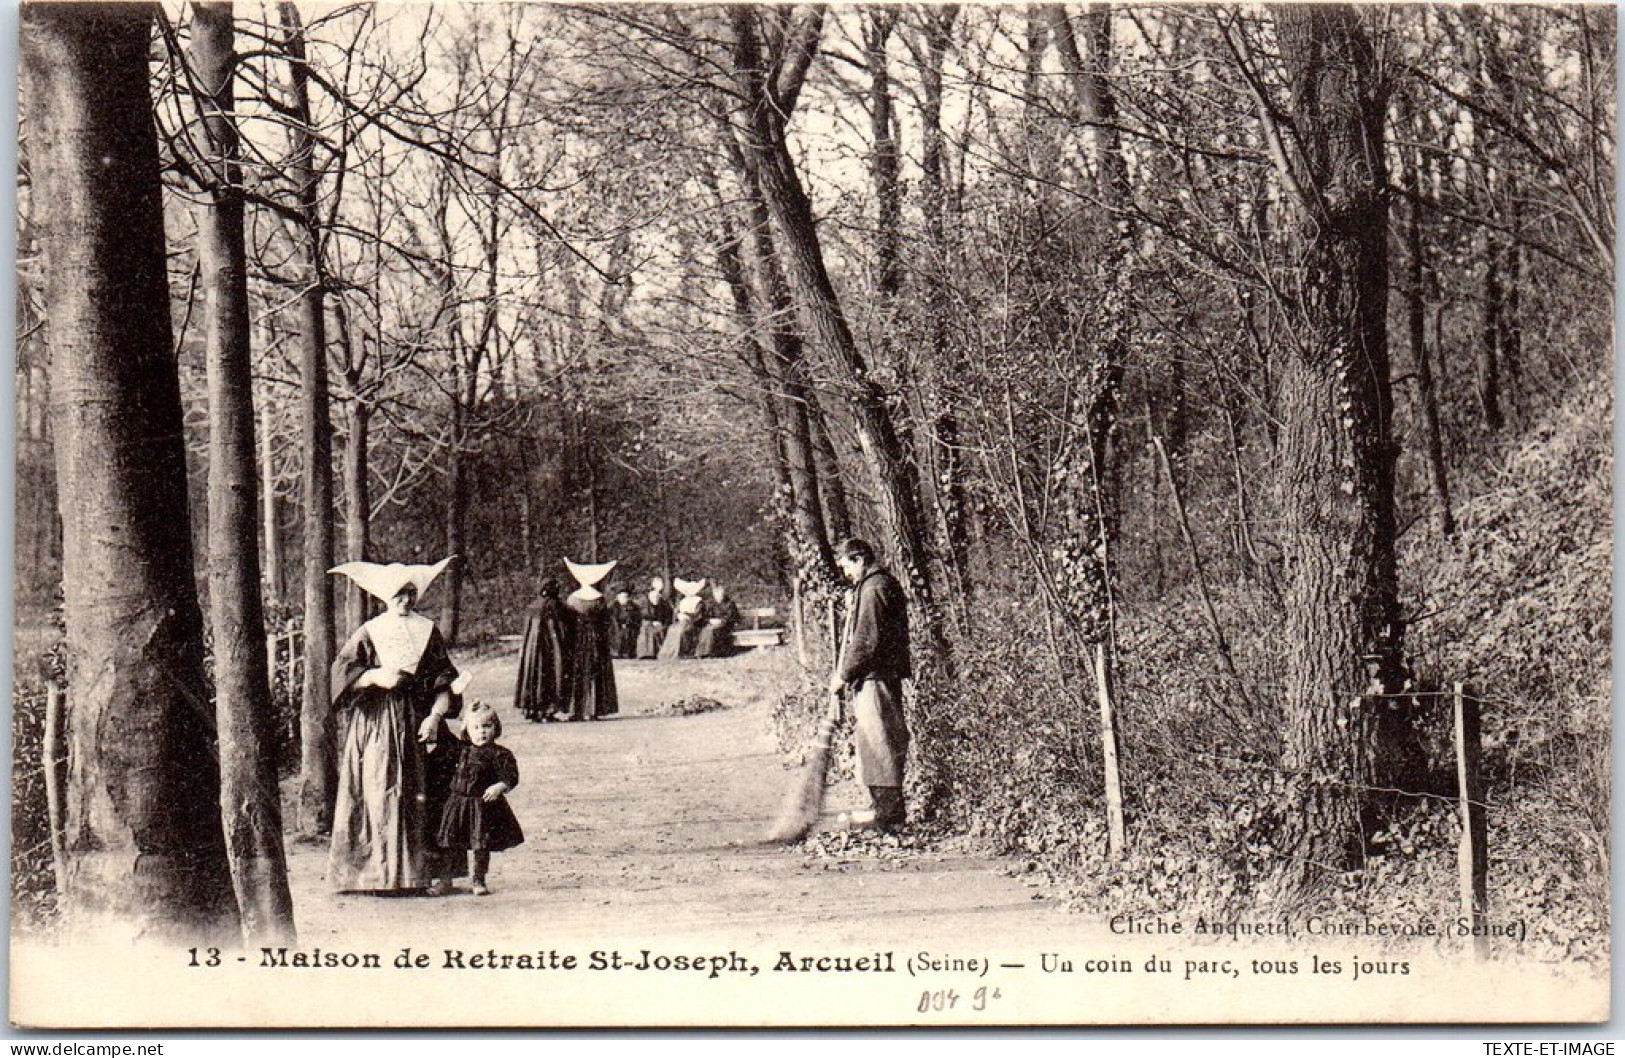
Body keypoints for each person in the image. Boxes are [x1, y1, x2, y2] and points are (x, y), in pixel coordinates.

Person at [326, 557, 464, 894]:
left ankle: (421, 874)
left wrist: (434, 717)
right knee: (378, 788)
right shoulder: (370, 630)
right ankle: (376, 875)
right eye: (398, 596)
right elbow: (341, 672)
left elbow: (444, 681)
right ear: (386, 598)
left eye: (410, 595)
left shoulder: (427, 630)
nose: (405, 601)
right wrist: (375, 676)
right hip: (376, 720)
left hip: (417, 716)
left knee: (425, 790)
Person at [827, 538, 912, 830]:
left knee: (880, 741)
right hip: (878, 676)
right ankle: (884, 810)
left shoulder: (875, 588)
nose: (846, 572)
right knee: (875, 741)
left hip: (876, 677)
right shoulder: (873, 585)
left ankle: (889, 816)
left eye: (847, 566)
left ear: (860, 559)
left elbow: (867, 640)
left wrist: (843, 675)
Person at [435, 702, 523, 896]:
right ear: (467, 729)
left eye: (486, 726)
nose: (481, 732)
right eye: (476, 727)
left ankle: (478, 879)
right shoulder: (461, 750)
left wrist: (499, 786)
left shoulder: (500, 754)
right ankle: (445, 880)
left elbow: (511, 776)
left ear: (495, 728)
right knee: (449, 842)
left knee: (480, 844)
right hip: (458, 804)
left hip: (482, 806)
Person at [562, 558, 619, 720]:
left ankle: (578, 710)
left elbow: (568, 621)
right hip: (596, 638)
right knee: (596, 671)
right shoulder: (599, 598)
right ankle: (594, 709)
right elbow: (606, 620)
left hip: (578, 638)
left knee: (579, 671)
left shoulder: (573, 599)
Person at [514, 577, 568, 722]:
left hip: (533, 652)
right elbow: (561, 629)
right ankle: (546, 711)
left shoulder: (532, 607)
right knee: (549, 677)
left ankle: (533, 710)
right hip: (550, 651)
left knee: (534, 676)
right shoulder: (554, 606)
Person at [658, 577, 706, 660]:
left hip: (693, 623)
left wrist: (687, 615)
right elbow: (677, 612)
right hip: (681, 621)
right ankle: (668, 653)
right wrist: (678, 615)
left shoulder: (699, 601)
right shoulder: (683, 601)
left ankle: (681, 652)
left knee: (682, 631)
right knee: (672, 629)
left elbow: (698, 615)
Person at [694, 582, 740, 658]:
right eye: (716, 595)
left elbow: (732, 617)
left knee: (712, 630)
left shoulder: (730, 604)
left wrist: (722, 620)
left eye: (720, 595)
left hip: (726, 625)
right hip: (714, 623)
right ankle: (701, 652)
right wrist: (710, 620)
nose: (718, 597)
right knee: (705, 630)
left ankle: (709, 652)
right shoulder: (712, 604)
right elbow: (707, 615)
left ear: (723, 595)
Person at [635, 577, 673, 659]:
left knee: (661, 628)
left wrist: (660, 621)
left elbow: (666, 612)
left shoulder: (663, 599)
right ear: (653, 585)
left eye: (661, 583)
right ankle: (646, 653)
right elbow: (644, 612)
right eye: (657, 583)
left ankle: (659, 652)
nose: (660, 585)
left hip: (659, 621)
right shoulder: (647, 597)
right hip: (648, 620)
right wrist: (653, 620)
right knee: (647, 627)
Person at [609, 586, 642, 659]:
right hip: (615, 627)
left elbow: (637, 618)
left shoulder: (634, 607)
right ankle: (616, 652)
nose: (624, 598)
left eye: (626, 597)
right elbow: (611, 619)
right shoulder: (612, 607)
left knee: (629, 633)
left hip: (630, 626)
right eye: (622, 597)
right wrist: (619, 625)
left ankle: (628, 652)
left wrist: (628, 623)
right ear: (618, 597)